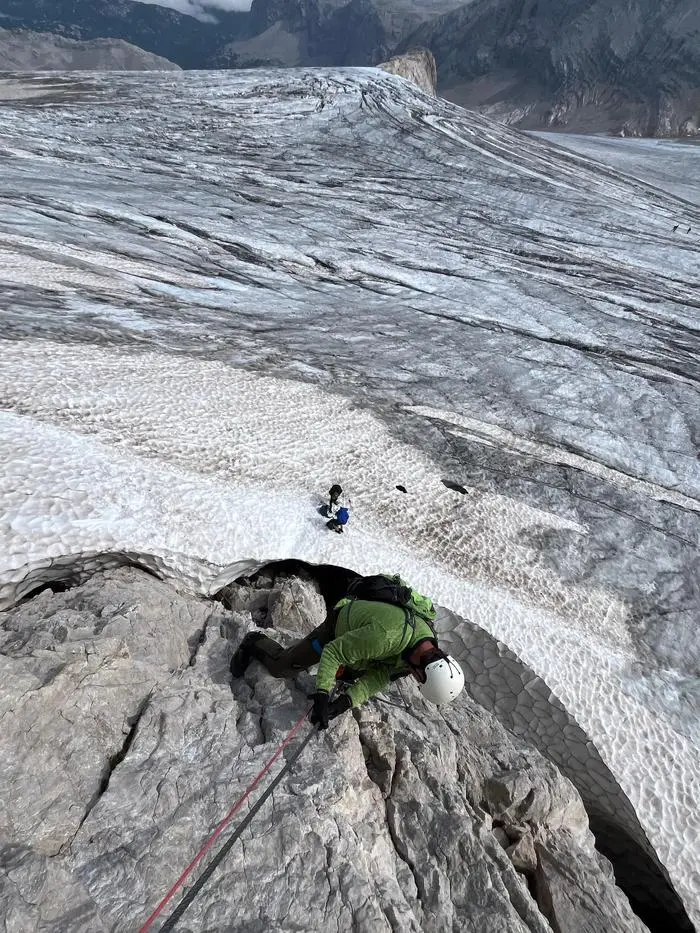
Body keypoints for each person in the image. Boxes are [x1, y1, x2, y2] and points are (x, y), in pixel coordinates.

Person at [230, 593, 465, 729]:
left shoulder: (423, 650)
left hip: (366, 639)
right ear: (424, 669)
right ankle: (254, 641)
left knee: (348, 671)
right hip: (337, 628)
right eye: (419, 679)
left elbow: (379, 676)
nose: (414, 679)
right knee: (284, 668)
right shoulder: (385, 638)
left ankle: (345, 671)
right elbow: (333, 652)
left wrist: (344, 703)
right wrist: (322, 693)